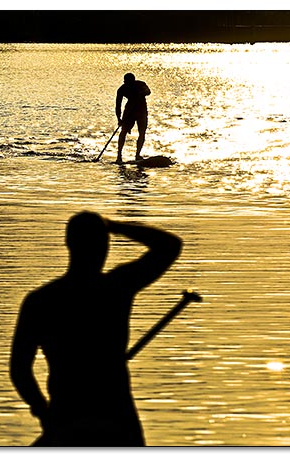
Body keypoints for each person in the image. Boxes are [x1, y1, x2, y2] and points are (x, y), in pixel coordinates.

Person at [10, 211, 182, 446]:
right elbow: (169, 245)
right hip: (116, 421)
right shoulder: (117, 287)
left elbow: (20, 370)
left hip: (67, 417)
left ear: (68, 244)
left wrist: (43, 411)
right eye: (103, 242)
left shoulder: (40, 301)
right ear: (105, 245)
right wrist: (115, 226)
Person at [115, 73, 151, 164]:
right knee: (123, 131)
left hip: (141, 111)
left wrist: (140, 93)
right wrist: (119, 119)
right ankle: (119, 155)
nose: (128, 84)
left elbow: (148, 91)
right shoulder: (122, 89)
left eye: (130, 83)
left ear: (133, 81)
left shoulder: (140, 84)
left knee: (142, 132)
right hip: (129, 112)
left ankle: (137, 154)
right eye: (126, 83)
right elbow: (118, 105)